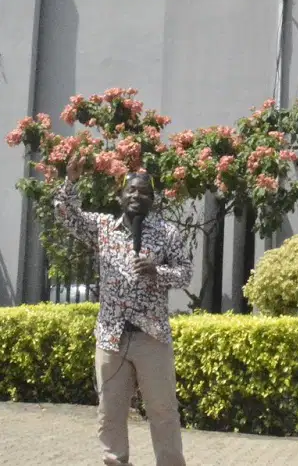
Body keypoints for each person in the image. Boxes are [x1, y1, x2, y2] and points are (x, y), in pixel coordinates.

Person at [55, 161, 192, 466]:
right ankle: (115, 461)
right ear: (120, 196)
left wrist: (158, 271)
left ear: (152, 200)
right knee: (110, 411)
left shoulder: (168, 233)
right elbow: (66, 215)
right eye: (131, 190)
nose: (136, 196)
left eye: (144, 192)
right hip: (111, 337)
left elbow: (185, 274)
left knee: (163, 411)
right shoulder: (103, 228)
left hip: (152, 336)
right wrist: (71, 181)